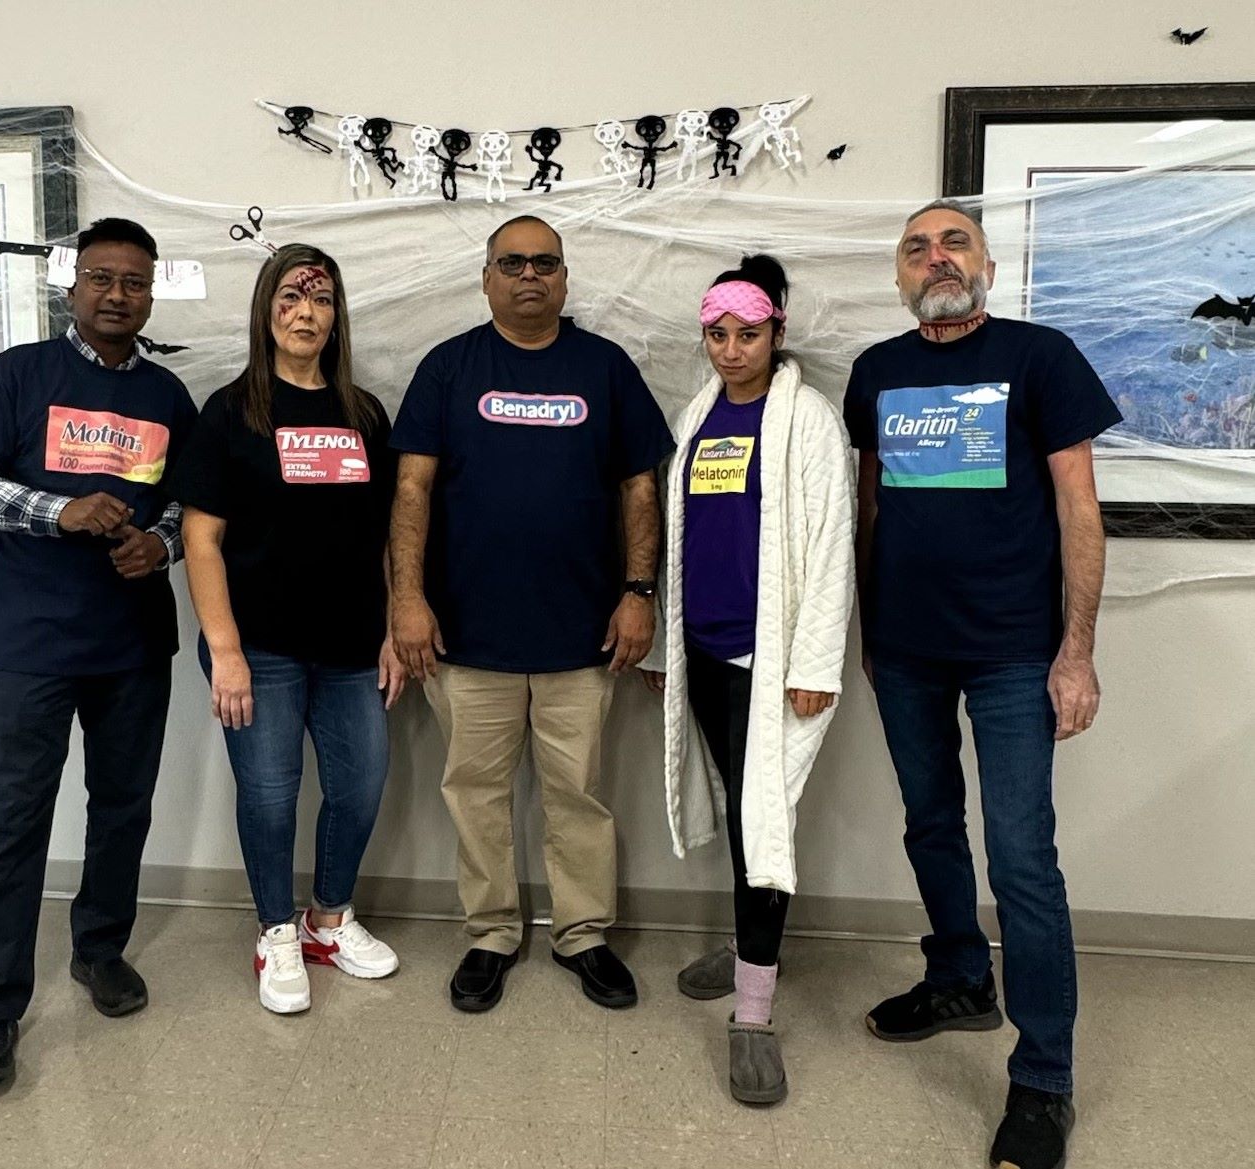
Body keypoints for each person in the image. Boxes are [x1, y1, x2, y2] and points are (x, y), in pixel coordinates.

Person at [843, 200, 1121, 1169]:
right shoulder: (877, 372)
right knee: (927, 823)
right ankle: (960, 974)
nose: (936, 257)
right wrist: (870, 632)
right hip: (908, 651)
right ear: (899, 276)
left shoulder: (1042, 358)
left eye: (953, 239)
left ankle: (1043, 1077)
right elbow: (870, 505)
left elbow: (1080, 509)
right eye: (917, 247)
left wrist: (1075, 650)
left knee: (1021, 860)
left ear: (988, 262)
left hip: (1013, 650)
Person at [389, 214, 675, 1013]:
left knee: (577, 794)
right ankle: (491, 932)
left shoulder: (605, 368)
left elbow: (639, 487)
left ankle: (582, 933)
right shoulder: (449, 367)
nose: (529, 275)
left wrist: (640, 592)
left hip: (583, 634)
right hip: (465, 634)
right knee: (473, 791)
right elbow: (410, 488)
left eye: (545, 263)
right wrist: (405, 597)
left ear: (564, 279)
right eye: (511, 262)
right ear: (486, 278)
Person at [0, 217, 198, 1087]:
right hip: (28, 641)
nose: (117, 294)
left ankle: (99, 949)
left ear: (151, 290)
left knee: (122, 805)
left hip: (131, 642)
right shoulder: (18, 374)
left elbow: (189, 507)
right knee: (13, 819)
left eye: (134, 281)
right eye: (101, 278)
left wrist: (159, 543)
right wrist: (60, 511)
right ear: (72, 285)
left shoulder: (168, 396)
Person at [639, 255, 855, 1105]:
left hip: (771, 665)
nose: (732, 350)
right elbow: (681, 538)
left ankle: (755, 1016)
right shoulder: (698, 414)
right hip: (705, 651)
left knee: (765, 819)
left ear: (778, 331)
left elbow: (833, 549)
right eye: (718, 335)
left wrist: (812, 665)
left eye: (749, 333)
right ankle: (748, 941)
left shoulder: (807, 421)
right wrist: (668, 651)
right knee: (742, 808)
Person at [170, 244, 403, 1014]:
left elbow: (383, 535)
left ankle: (327, 920)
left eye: (323, 300)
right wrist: (227, 651)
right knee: (270, 797)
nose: (308, 313)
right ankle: (275, 929)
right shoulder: (230, 412)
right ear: (267, 311)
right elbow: (200, 539)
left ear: (338, 315)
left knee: (361, 784)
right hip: (258, 646)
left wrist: (391, 631)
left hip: (350, 644)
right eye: (293, 299)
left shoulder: (364, 414)